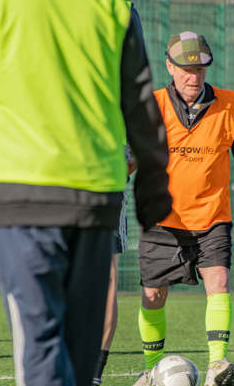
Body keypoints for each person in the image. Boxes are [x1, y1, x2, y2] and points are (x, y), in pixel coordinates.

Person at [0, 0, 172, 385]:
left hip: (24, 195)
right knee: (78, 356)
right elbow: (140, 100)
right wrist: (154, 189)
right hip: (95, 197)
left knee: (40, 350)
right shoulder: (111, 1)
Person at [133, 31, 234, 386]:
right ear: (169, 67)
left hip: (212, 215)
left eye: (200, 68)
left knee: (218, 280)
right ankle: (153, 369)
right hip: (161, 216)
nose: (193, 76)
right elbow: (129, 154)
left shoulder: (227, 105)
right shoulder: (152, 106)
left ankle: (218, 365)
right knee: (153, 295)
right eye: (185, 68)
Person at [92, 151, 136, 386]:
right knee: (104, 279)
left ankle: (93, 373)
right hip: (76, 190)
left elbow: (132, 160)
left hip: (101, 193)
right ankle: (92, 374)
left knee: (106, 279)